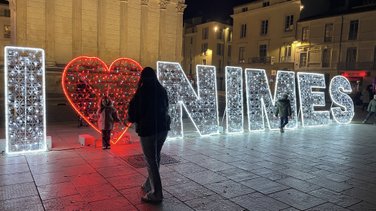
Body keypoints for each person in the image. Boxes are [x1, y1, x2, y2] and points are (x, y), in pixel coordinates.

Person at [128, 67, 170, 204]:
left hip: (148, 131)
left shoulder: (141, 92)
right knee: (155, 158)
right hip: (162, 129)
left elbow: (133, 115)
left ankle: (157, 193)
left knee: (151, 160)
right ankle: (148, 184)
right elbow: (167, 107)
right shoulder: (162, 90)